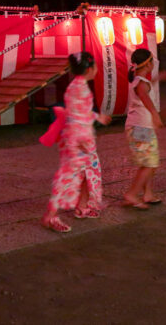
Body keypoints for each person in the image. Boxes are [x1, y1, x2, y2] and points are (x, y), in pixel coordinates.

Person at [41, 51, 110, 233]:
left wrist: (98, 117)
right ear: (90, 68)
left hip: (79, 138)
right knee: (68, 177)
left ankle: (82, 206)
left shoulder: (77, 86)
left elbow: (80, 112)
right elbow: (76, 116)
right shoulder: (80, 88)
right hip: (78, 140)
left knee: (86, 173)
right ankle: (51, 216)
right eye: (95, 66)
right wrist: (79, 142)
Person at [123, 48, 163, 209]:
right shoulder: (141, 83)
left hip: (139, 127)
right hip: (141, 128)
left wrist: (157, 79)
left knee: (148, 162)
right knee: (150, 163)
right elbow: (144, 95)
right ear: (148, 64)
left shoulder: (138, 81)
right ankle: (132, 194)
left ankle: (148, 193)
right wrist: (155, 114)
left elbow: (144, 90)